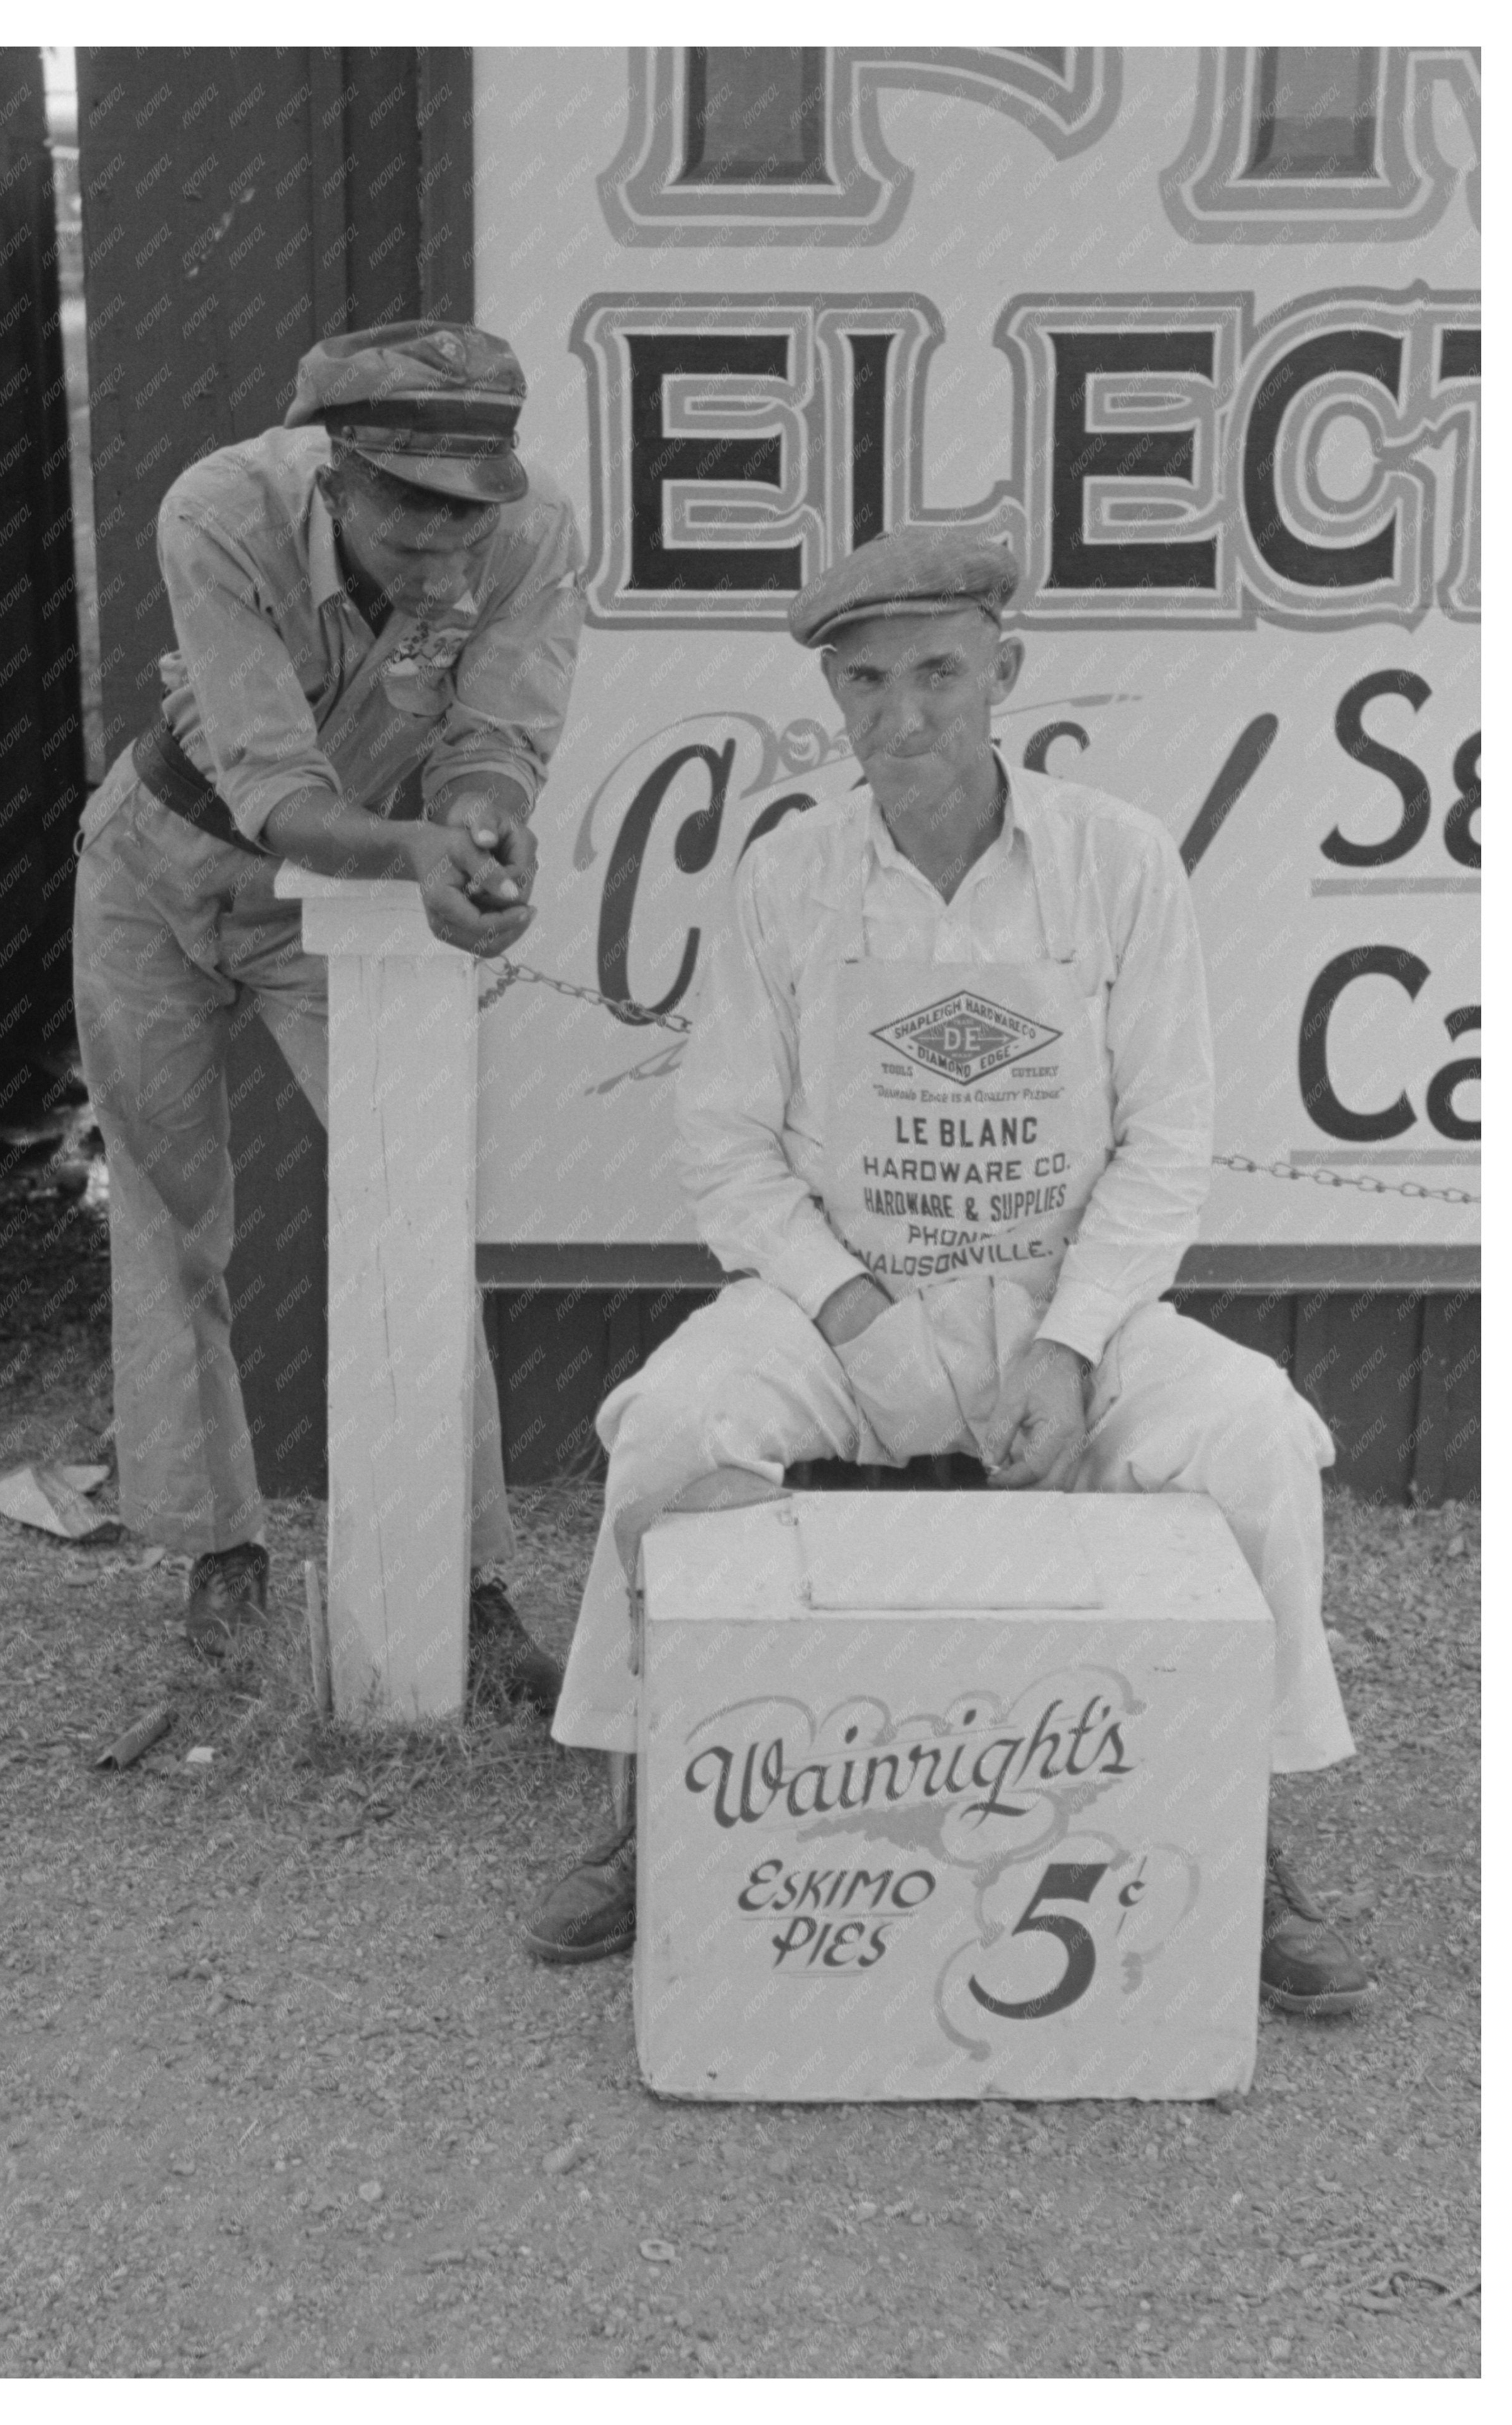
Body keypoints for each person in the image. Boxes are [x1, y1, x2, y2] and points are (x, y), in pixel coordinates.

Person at [523, 526, 1374, 2016]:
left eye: (936, 672)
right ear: (830, 695)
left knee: (1246, 1433)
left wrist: (1073, 1339)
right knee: (674, 1423)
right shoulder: (789, 879)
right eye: (864, 680)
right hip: (844, 1309)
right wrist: (851, 1312)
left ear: (1004, 672)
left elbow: (1168, 1140)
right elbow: (725, 1143)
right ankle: (647, 1805)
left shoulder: (1114, 859)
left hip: (1068, 1313)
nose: (901, 713)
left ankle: (1243, 1838)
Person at [73, 321, 585, 1702]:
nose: (444, 552)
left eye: (467, 513)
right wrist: (421, 852)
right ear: (333, 467)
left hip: (353, 894)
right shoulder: (219, 507)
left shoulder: (534, 533)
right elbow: (267, 786)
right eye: (408, 516)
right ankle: (218, 1557)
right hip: (161, 862)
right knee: (172, 1213)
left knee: (419, 1208)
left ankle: (468, 1586)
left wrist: (482, 825)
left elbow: (495, 737)